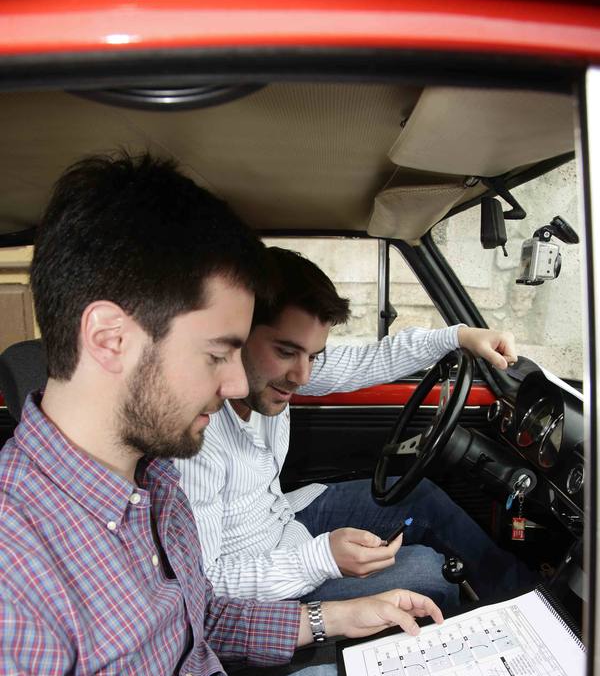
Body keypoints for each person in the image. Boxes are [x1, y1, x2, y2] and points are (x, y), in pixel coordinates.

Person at [0, 152, 444, 676]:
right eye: (218, 354)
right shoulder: (14, 570)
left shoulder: (154, 484)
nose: (239, 382)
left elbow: (197, 617)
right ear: (111, 339)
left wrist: (332, 618)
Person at [178, 247, 536, 609]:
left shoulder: (274, 375)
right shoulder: (193, 440)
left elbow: (365, 361)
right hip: (266, 586)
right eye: (286, 352)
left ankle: (527, 601)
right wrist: (321, 559)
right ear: (237, 333)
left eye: (313, 356)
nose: (302, 376)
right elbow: (206, 586)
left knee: (418, 496)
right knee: (430, 572)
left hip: (287, 517)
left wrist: (458, 337)